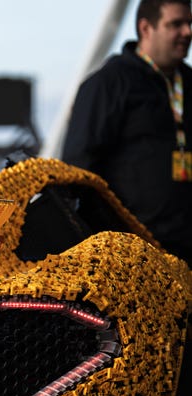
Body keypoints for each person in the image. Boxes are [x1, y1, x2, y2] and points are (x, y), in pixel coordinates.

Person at [62, 0, 192, 263]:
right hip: (134, 257)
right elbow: (77, 173)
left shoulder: (189, 83)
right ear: (146, 28)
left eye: (189, 24)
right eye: (175, 24)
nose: (187, 32)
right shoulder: (108, 85)